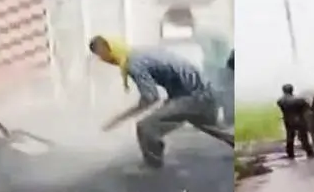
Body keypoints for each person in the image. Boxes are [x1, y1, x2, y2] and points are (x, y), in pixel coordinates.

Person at [89, 35, 229, 168]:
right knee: (213, 128)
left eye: (102, 54)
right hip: (202, 93)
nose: (103, 59)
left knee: (146, 127)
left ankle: (153, 169)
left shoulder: (134, 63)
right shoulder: (139, 53)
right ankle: (242, 148)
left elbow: (150, 98)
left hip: (192, 96)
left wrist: (119, 119)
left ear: (111, 49)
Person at [276, 83, 314, 159]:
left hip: (288, 120)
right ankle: (309, 152)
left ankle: (290, 153)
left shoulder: (280, 101)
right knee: (303, 137)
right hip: (300, 120)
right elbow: (307, 108)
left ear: (283, 91)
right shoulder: (299, 100)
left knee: (290, 137)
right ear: (292, 90)